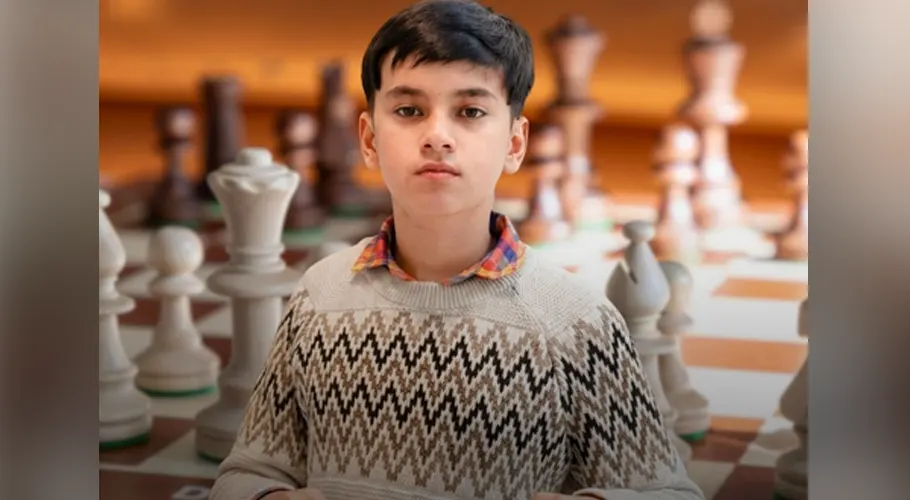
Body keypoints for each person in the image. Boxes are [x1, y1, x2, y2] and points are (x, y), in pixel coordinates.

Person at [210, 1, 706, 499]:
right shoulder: (319, 296)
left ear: (515, 144)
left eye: (471, 112)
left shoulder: (576, 322)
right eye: (409, 111)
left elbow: (672, 494)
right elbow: (245, 473)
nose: (437, 137)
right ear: (369, 139)